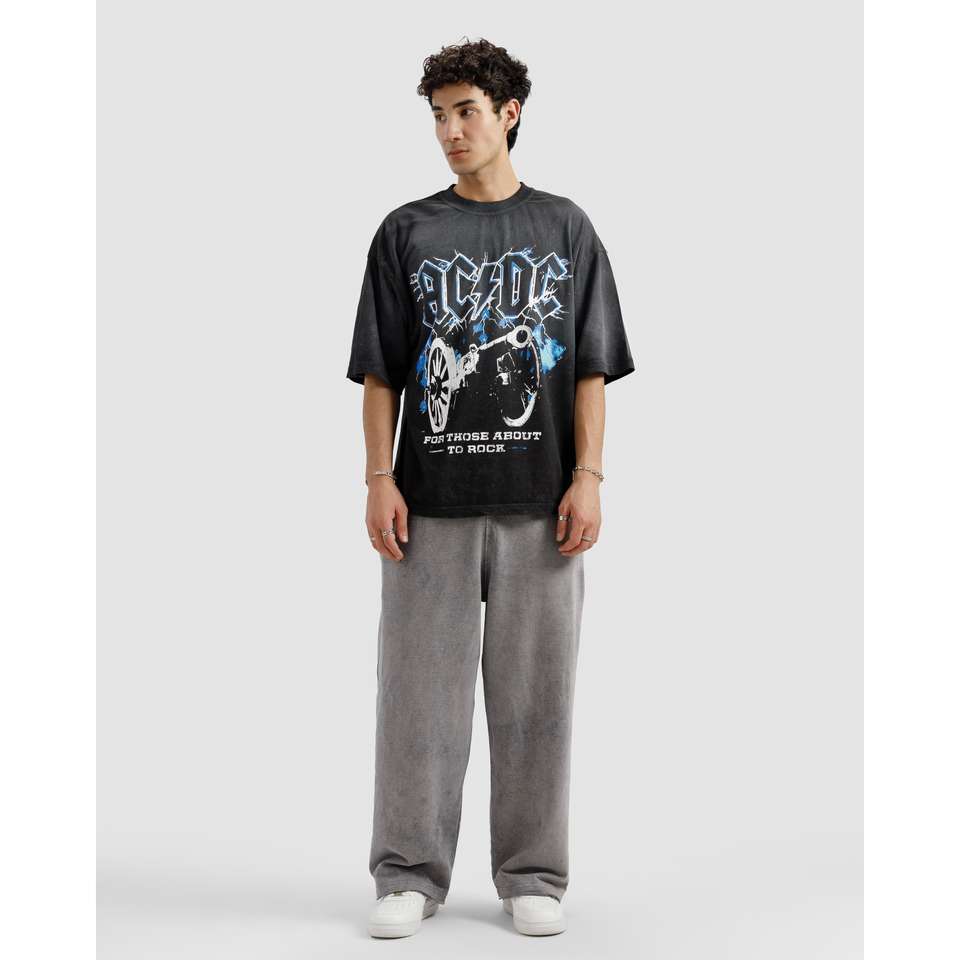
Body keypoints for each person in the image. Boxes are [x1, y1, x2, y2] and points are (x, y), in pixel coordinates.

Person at [346, 38, 635, 939]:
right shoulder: (407, 231)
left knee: (537, 701)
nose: (450, 131)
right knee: (416, 702)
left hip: (540, 508)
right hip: (428, 505)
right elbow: (382, 372)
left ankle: (533, 874)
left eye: (466, 111)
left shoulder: (565, 228)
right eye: (438, 115)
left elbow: (590, 369)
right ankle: (407, 874)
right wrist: (379, 478)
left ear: (509, 114)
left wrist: (588, 478)